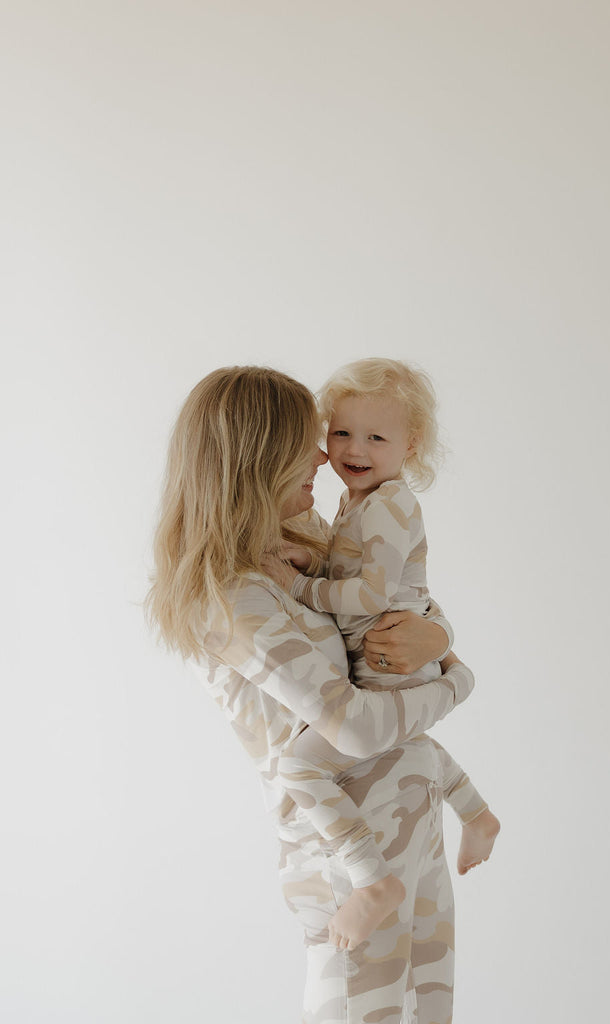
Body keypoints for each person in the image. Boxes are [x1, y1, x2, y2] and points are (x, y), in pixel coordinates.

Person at [146, 366, 477, 1024]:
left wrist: (438, 635)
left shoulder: (305, 539)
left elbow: (399, 603)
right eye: (307, 444)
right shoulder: (233, 595)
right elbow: (352, 728)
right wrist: (457, 682)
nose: (325, 458)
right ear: (258, 458)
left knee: (428, 1011)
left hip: (410, 818)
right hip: (351, 860)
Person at [264, 359, 499, 954]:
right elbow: (355, 567)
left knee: (301, 768)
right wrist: (315, 561)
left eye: (376, 437)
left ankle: (371, 882)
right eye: (342, 432)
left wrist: (300, 586)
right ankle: (477, 814)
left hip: (389, 659)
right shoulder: (358, 500)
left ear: (410, 445)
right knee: (403, 743)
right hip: (387, 657)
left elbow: (370, 596)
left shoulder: (391, 504)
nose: (354, 449)